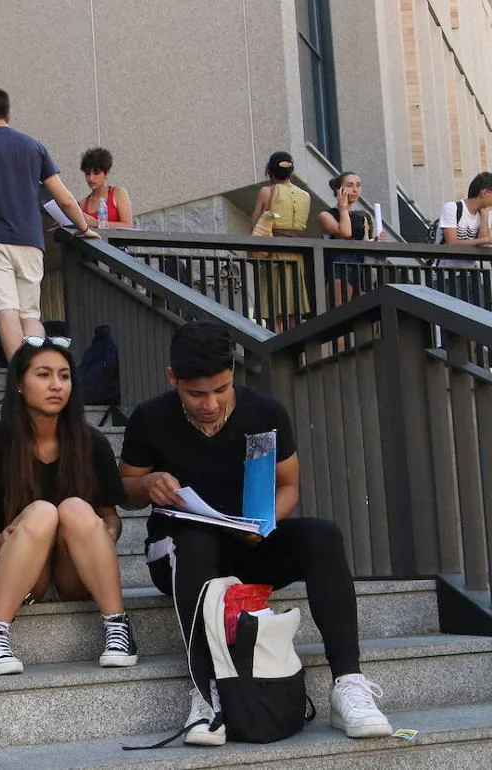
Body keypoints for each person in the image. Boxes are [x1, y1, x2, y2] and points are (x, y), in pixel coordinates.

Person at [119, 320, 392, 745]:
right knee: (193, 541)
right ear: (173, 379)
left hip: (248, 543)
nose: (210, 403)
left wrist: (266, 524)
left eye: (221, 389)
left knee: (322, 536)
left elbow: (288, 486)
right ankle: (207, 693)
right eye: (196, 394)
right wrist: (148, 483)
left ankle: (349, 685)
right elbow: (127, 491)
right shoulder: (150, 419)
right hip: (180, 553)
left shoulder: (264, 413)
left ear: (233, 375)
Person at [0, 336, 137, 675]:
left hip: (77, 570)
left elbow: (111, 517)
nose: (56, 385)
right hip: (26, 571)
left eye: (64, 375)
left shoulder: (92, 443)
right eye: (43, 375)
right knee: (43, 511)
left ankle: (118, 628)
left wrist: (103, 534)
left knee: (74, 508)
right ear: (18, 384)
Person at [0, 86, 98, 363]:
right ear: (8, 113)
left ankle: (20, 383)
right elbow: (65, 198)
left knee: (6, 311)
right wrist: (83, 228)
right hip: (30, 239)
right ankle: (38, 374)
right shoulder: (33, 146)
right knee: (30, 314)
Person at [248, 151, 312, 329]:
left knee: (273, 310)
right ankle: (295, 353)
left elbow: (255, 224)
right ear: (291, 171)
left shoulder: (267, 191)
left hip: (273, 254)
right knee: (294, 311)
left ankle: (276, 353)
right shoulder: (305, 196)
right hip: (296, 255)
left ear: (270, 170)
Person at [316, 172, 383, 305]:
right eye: (350, 185)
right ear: (339, 189)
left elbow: (364, 244)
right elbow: (345, 233)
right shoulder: (326, 215)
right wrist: (343, 207)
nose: (355, 189)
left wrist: (375, 242)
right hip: (339, 267)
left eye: (358, 185)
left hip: (360, 268)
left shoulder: (362, 218)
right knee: (341, 310)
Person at [78, 147, 134, 228]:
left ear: (106, 173)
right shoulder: (83, 203)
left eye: (96, 173)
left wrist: (97, 223)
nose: (91, 178)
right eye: (87, 173)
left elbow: (128, 226)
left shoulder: (118, 193)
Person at [437, 171, 492, 247]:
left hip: (473, 259)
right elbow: (451, 243)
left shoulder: (485, 213)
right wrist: (486, 240)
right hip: (448, 258)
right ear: (486, 193)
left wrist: (485, 215)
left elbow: (483, 246)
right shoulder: (452, 208)